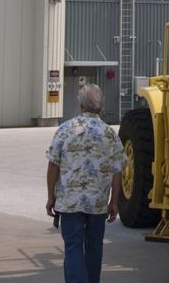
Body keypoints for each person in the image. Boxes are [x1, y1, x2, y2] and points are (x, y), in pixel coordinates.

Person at [46, 85, 127, 283]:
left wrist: (51, 197)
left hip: (70, 202)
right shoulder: (109, 134)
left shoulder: (65, 130)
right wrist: (114, 202)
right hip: (97, 203)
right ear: (100, 106)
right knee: (94, 247)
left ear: (81, 104)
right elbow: (118, 171)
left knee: (73, 246)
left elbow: (53, 165)